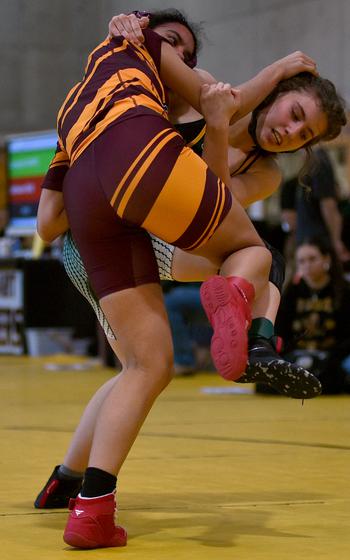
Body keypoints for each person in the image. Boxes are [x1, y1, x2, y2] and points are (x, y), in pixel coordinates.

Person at [35, 10, 340, 550]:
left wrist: (220, 128)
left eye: (303, 135)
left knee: (139, 367)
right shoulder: (189, 103)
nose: (289, 132)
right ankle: (259, 341)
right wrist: (136, 29)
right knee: (259, 258)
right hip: (125, 230)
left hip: (141, 234)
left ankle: (68, 479)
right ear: (276, 94)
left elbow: (213, 204)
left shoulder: (264, 170)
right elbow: (206, 210)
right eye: (294, 114)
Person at [275, 237, 350, 394]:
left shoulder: (344, 291)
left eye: (312, 259)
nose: (307, 265)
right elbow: (281, 332)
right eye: (302, 261)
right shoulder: (290, 293)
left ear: (326, 259)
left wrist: (330, 359)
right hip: (298, 355)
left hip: (335, 355)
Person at [281, 146, 350, 264]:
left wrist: (336, 240)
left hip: (314, 241)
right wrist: (336, 240)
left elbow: (328, 206)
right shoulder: (315, 166)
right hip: (313, 240)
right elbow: (328, 206)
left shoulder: (318, 163)